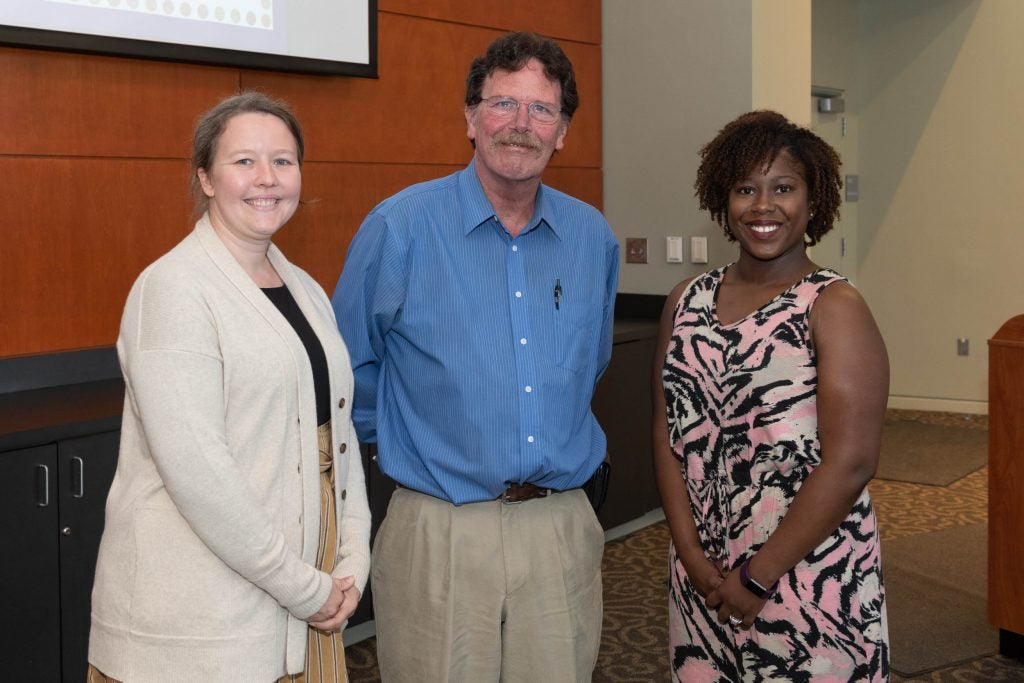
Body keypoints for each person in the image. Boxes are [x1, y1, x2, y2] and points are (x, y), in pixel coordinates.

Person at [332, 31, 619, 682]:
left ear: (563, 131)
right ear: (469, 118)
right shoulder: (399, 228)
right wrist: (421, 440)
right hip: (441, 528)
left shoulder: (590, 239)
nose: (521, 125)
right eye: (502, 104)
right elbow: (347, 369)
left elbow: (589, 364)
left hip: (558, 527)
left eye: (541, 109)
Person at [87, 92, 371, 682]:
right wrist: (304, 586)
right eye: (244, 161)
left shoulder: (307, 291)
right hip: (204, 622)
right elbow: (200, 476)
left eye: (284, 161)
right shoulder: (173, 289)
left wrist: (352, 559)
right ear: (206, 178)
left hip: (307, 596)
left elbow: (337, 435)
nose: (266, 179)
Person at [652, 110, 890, 681]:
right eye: (745, 189)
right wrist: (688, 551)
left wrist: (759, 574)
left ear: (813, 202)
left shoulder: (833, 306)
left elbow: (852, 462)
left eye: (783, 188)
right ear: (722, 201)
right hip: (704, 571)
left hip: (806, 572)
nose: (764, 206)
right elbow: (667, 432)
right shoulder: (685, 300)